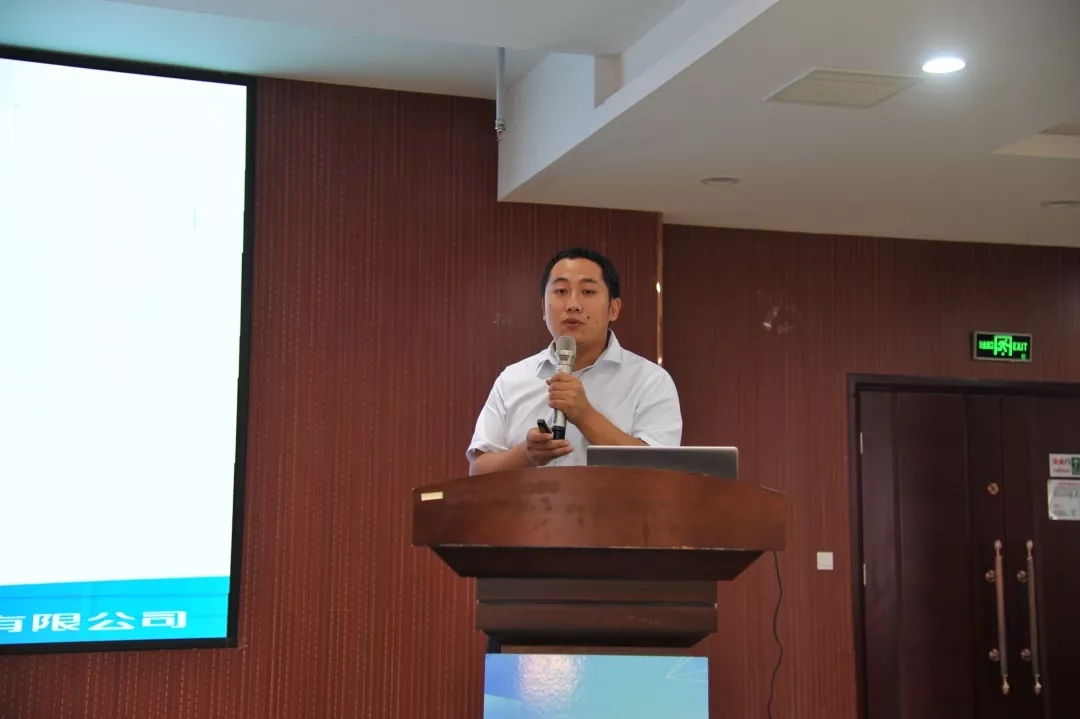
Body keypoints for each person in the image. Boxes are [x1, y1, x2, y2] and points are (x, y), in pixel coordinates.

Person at [467, 247, 682, 474]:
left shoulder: (650, 381)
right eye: (560, 291)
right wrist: (525, 456)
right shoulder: (513, 378)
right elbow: (478, 471)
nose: (572, 305)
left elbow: (662, 473)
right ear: (543, 308)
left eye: (588, 292)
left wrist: (585, 415)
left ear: (614, 309)